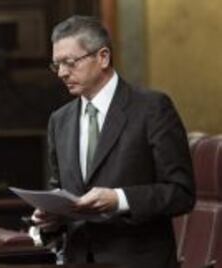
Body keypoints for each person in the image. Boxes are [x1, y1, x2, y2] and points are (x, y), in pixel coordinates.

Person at [31, 15, 196, 268]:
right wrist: (52, 219)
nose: (62, 73)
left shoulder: (152, 109)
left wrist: (119, 199)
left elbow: (182, 193)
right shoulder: (59, 120)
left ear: (103, 57)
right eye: (57, 65)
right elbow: (60, 190)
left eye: (70, 62)